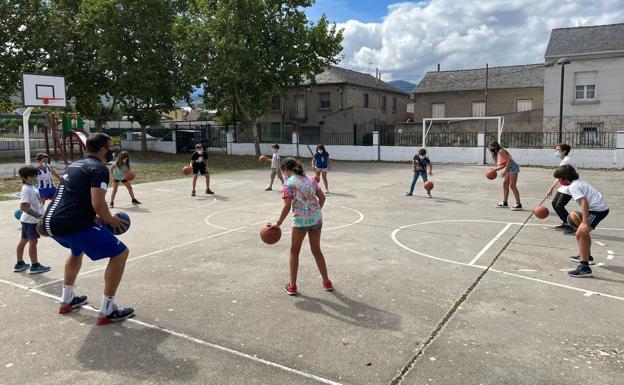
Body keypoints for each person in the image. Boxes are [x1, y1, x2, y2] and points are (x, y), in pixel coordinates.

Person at [42, 133, 134, 325]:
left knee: (77, 251)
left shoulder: (74, 165)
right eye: (110, 147)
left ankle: (67, 300)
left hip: (50, 222)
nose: (112, 151)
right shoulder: (99, 169)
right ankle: (107, 310)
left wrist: (96, 219)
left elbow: (73, 198)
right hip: (71, 222)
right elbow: (98, 202)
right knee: (120, 253)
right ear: (102, 150)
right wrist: (110, 220)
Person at [269, 157, 333, 295]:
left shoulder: (288, 183)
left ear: (286, 170)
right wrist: (315, 212)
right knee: (316, 250)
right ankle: (327, 282)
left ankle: (292, 286)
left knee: (294, 251)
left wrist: (278, 222)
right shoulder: (310, 179)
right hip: (316, 219)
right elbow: (322, 198)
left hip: (300, 221)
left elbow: (287, 205)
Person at [553, 165, 609, 278]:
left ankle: (584, 268)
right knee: (583, 233)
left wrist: (584, 222)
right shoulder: (578, 182)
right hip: (597, 208)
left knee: (580, 233)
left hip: (598, 210)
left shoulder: (573, 186)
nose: (559, 181)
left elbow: (584, 203)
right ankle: (587, 257)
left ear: (565, 178)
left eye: (559, 179)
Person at [14, 166, 51, 274]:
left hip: (27, 220)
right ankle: (35, 265)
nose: (34, 178)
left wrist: (41, 201)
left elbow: (34, 201)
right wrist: (39, 216)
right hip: (31, 221)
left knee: (24, 240)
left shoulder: (32, 186)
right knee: (33, 242)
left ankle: (19, 263)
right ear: (24, 178)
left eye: (35, 175)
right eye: (31, 176)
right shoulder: (26, 189)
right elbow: (23, 207)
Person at [545, 144, 575, 235]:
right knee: (554, 203)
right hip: (565, 185)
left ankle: (572, 226)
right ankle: (566, 223)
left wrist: (551, 188)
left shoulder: (566, 161)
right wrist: (551, 189)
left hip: (571, 185)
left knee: (559, 205)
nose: (555, 152)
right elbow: (560, 177)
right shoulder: (563, 161)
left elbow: (559, 178)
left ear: (564, 151)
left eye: (557, 150)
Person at [488, 141, 522, 210]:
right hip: (509, 168)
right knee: (505, 184)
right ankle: (505, 202)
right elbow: (505, 163)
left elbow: (509, 161)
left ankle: (519, 204)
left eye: (492, 149)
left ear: (495, 147)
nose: (492, 151)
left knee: (512, 186)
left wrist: (504, 172)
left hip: (513, 168)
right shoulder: (499, 152)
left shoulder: (501, 151)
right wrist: (494, 169)